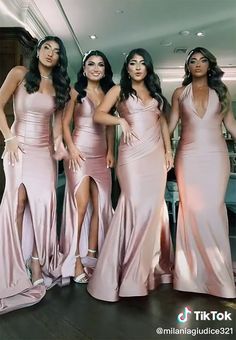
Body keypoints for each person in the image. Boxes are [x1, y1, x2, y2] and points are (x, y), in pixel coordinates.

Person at [87, 48, 174, 302]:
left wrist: (169, 151)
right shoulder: (118, 91)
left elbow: (163, 124)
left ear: (148, 67)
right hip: (131, 157)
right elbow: (98, 114)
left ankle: (142, 272)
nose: (138, 67)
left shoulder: (156, 94)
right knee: (133, 206)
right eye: (133, 63)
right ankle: (125, 273)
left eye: (142, 63)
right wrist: (120, 122)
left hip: (155, 156)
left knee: (151, 211)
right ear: (127, 68)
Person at [0, 36, 70, 314]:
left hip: (43, 153)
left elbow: (55, 126)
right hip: (18, 147)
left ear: (60, 57)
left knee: (42, 208)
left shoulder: (60, 85)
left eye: (56, 51)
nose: (50, 53)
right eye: (46, 48)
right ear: (38, 51)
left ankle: (37, 262)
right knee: (16, 206)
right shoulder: (19, 73)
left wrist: (60, 147)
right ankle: (14, 264)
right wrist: (8, 139)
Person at [168, 47, 236, 298]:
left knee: (213, 211)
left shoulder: (222, 92)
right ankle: (190, 277)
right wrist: (160, 149)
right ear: (187, 67)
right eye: (192, 61)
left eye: (202, 60)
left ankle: (218, 276)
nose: (197, 64)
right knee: (191, 212)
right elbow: (170, 126)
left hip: (216, 158)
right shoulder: (178, 93)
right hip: (187, 158)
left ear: (210, 64)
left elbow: (231, 125)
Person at [60, 50, 115, 284]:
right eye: (91, 64)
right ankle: (75, 259)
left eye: (100, 65)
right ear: (84, 69)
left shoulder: (110, 93)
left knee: (101, 204)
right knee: (80, 207)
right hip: (79, 153)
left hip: (101, 154)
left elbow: (110, 125)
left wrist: (111, 150)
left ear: (105, 70)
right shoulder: (75, 92)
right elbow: (64, 123)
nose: (95, 68)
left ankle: (92, 255)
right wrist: (71, 148)